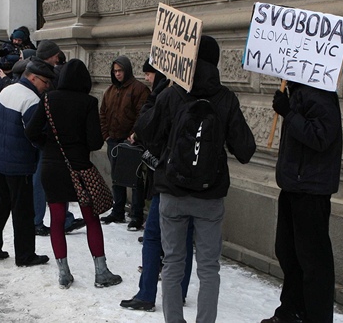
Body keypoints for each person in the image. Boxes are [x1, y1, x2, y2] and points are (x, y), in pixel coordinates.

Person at [134, 36, 256, 323]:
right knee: (209, 268)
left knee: (174, 263)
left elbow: (145, 132)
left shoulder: (172, 94)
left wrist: (157, 93)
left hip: (172, 194)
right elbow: (246, 150)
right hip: (210, 197)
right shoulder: (226, 98)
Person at [25, 58, 123, 289]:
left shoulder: (48, 99)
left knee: (57, 221)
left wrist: (47, 146)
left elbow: (31, 131)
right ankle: (101, 272)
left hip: (51, 168)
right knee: (91, 219)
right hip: (79, 168)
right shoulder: (88, 102)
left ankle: (64, 273)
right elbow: (94, 141)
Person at [261, 81, 342, 323]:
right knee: (288, 252)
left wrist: (289, 113)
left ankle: (316, 317)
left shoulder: (321, 95)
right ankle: (292, 310)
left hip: (311, 190)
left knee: (313, 261)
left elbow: (320, 137)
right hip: (293, 185)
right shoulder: (298, 92)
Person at [120, 59, 194, 312]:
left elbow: (145, 126)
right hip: (200, 184)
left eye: (151, 74)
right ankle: (179, 292)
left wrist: (156, 96)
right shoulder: (216, 95)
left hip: (170, 179)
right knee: (185, 239)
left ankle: (147, 293)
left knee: (153, 236)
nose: (148, 79)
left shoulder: (169, 95)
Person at [0, 61, 53, 267]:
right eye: (45, 82)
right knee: (23, 212)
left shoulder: (7, 90)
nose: (46, 86)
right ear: (33, 78)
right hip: (17, 163)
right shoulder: (31, 100)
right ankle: (25, 255)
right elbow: (35, 133)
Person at [32, 40, 84, 236]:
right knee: (44, 180)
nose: (58, 57)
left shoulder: (41, 71)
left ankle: (59, 220)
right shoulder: (47, 75)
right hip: (47, 135)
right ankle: (47, 220)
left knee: (44, 179)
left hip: (43, 135)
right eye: (55, 54)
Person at [99, 55, 150, 230]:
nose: (118, 74)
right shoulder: (111, 90)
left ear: (127, 71)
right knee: (116, 177)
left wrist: (133, 135)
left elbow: (141, 114)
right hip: (113, 140)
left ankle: (136, 214)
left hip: (131, 142)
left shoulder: (139, 89)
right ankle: (118, 210)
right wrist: (106, 135)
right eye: (115, 71)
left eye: (120, 71)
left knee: (135, 180)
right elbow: (103, 113)